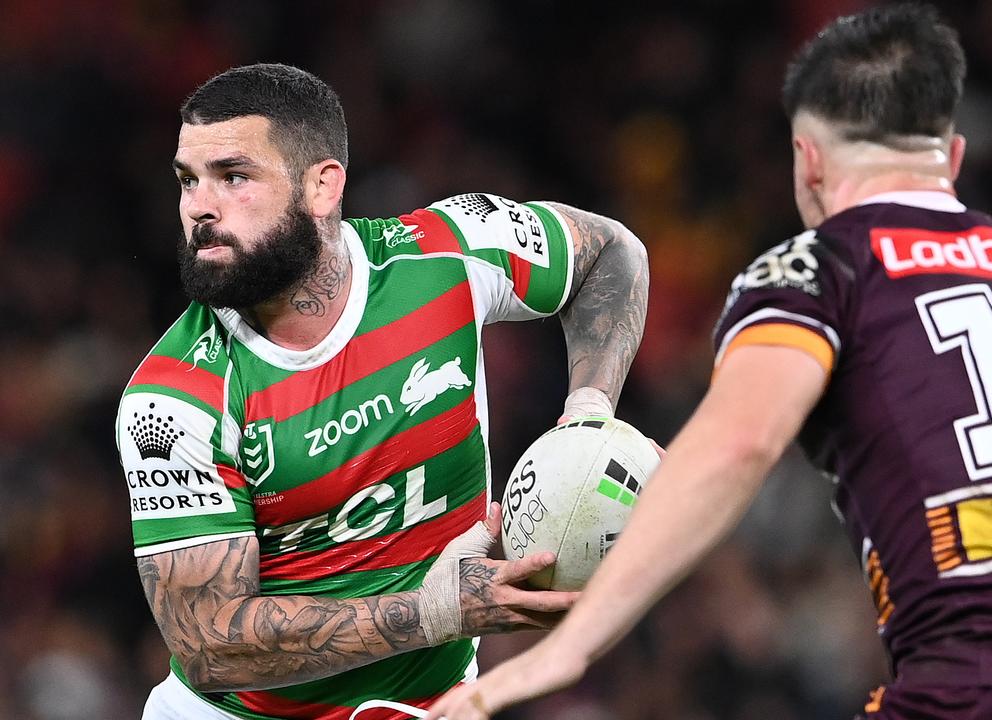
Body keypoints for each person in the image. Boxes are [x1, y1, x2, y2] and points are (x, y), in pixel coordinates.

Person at [424, 5, 992, 719]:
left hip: (980, 684)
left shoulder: (815, 270)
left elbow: (738, 445)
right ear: (952, 156)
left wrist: (561, 653)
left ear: (807, 160)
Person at [115, 63, 649, 719]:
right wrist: (431, 613)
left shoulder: (449, 251)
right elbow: (207, 645)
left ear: (320, 185)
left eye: (233, 177)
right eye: (188, 180)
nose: (199, 205)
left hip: (438, 706)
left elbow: (611, 254)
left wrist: (587, 414)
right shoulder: (171, 401)